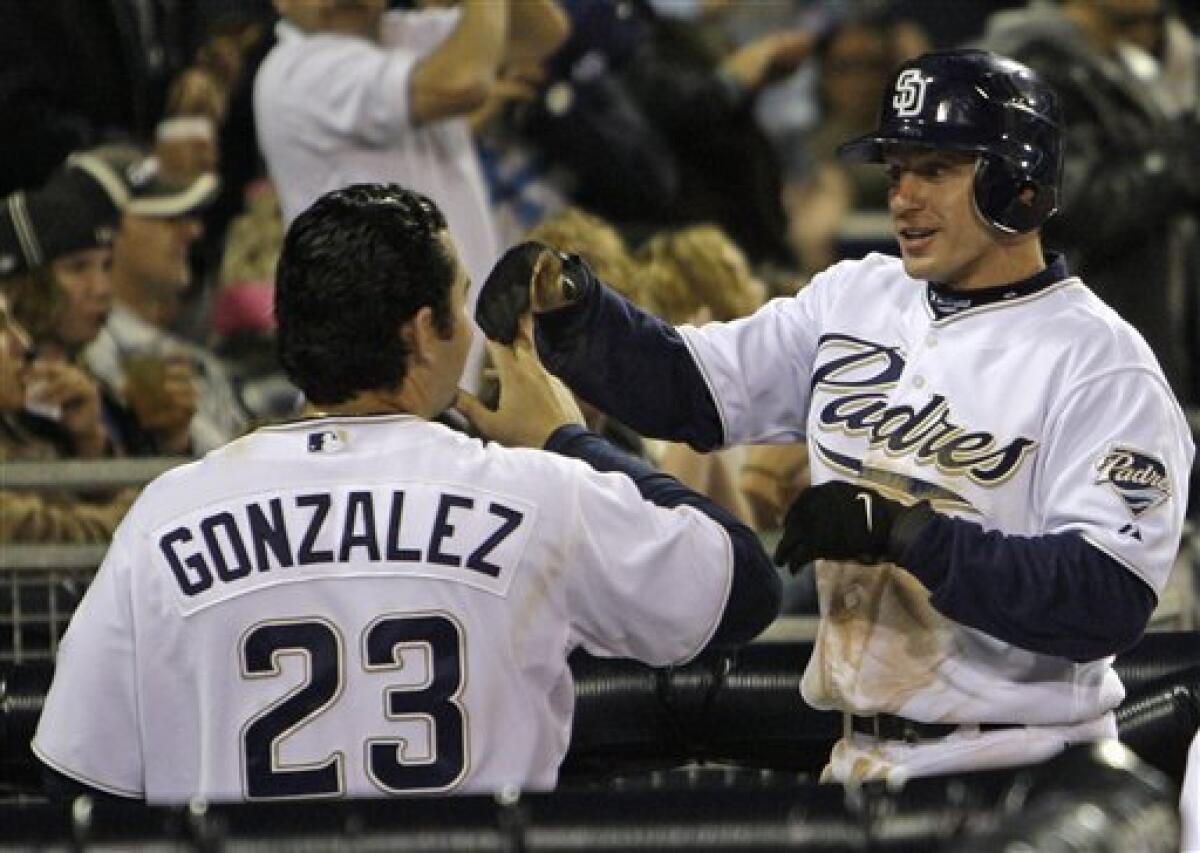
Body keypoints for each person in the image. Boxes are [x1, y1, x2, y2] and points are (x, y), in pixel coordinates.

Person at [525, 49, 1195, 783]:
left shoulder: (1101, 361)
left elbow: (1103, 597)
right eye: (895, 168)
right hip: (858, 759)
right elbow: (689, 386)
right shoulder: (854, 297)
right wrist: (575, 308)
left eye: (934, 169)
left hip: (1025, 765)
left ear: (1020, 184)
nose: (902, 196)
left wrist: (907, 533)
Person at [31, 183, 781, 803]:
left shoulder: (169, 512)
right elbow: (744, 586)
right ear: (425, 331)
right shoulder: (532, 491)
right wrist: (565, 438)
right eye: (459, 298)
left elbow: (74, 775)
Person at [254, 0, 569, 392]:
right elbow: (463, 83)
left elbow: (542, 33)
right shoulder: (295, 70)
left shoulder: (402, 35)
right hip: (382, 381)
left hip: (451, 368)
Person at [978, 0, 1200, 406]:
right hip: (1072, 360)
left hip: (1136, 348)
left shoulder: (1125, 65)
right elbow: (1069, 205)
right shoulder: (1032, 64)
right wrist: (1186, 155)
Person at [81, 146, 248, 455]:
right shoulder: (95, 356)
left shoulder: (180, 346)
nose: (193, 231)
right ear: (106, 235)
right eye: (168, 218)